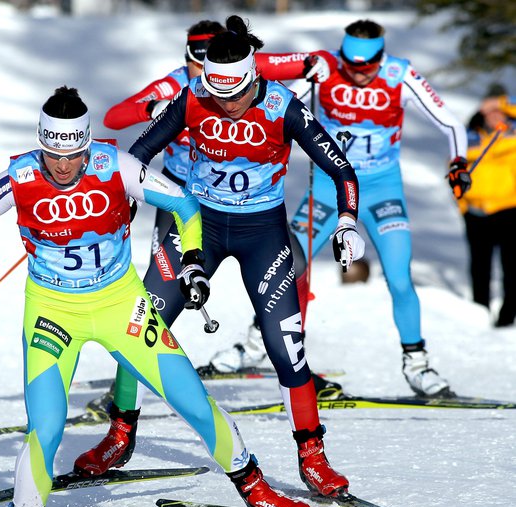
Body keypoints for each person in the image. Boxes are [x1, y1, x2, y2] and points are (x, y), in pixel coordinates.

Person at [0, 86, 314, 507]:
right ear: (41, 144)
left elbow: (186, 205)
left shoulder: (116, 165)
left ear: (88, 144)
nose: (63, 167)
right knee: (46, 425)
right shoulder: (19, 176)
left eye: (74, 154)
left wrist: (191, 261)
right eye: (53, 155)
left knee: (191, 400)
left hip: (122, 306)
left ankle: (255, 488)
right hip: (53, 313)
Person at [74, 16, 364, 501]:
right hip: (196, 226)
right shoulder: (193, 98)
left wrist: (348, 220)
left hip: (261, 233)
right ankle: (120, 435)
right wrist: (120, 201)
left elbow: (341, 169)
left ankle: (312, 455)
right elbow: (138, 154)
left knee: (284, 342)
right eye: (216, 94)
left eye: (236, 95)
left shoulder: (281, 104)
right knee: (141, 322)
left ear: (253, 78)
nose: (226, 106)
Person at [211, 19, 471, 398]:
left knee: (399, 276)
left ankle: (417, 364)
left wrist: (458, 162)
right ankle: (257, 345)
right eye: (351, 64)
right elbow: (275, 99)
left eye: (367, 66)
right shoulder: (325, 66)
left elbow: (450, 122)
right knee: (288, 265)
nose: (358, 73)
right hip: (330, 188)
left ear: (381, 57)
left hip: (382, 189)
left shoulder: (400, 73)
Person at [104, 20, 224, 255]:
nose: (204, 74)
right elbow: (112, 118)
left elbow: (307, 61)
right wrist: (152, 107)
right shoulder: (174, 84)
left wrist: (315, 65)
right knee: (162, 271)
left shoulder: (235, 82)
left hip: (224, 190)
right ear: (187, 60)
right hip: (177, 184)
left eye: (210, 65)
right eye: (197, 65)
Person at [458, 84, 516, 327]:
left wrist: (502, 102)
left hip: (509, 211)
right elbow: (456, 173)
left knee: (511, 267)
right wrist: (463, 207)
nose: (494, 115)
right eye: (489, 110)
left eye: (498, 110)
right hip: (477, 213)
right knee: (479, 268)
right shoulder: (470, 137)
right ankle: (479, 313)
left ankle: (507, 316)